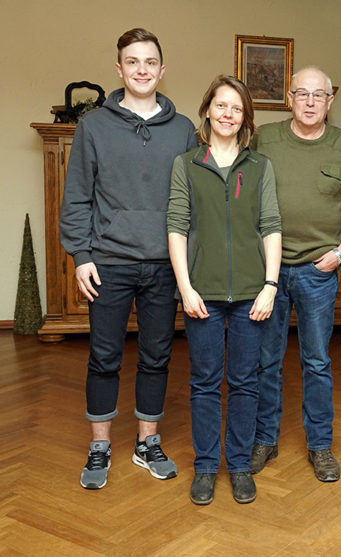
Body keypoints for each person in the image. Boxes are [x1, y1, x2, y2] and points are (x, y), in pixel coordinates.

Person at [60, 28, 198, 490]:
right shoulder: (94, 125)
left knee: (158, 356)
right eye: (133, 62)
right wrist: (81, 255)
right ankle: (99, 445)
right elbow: (78, 196)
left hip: (164, 264)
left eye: (150, 62)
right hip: (109, 262)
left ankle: (147, 443)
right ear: (119, 69)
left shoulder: (182, 131)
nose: (142, 69)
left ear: (162, 69)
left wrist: (188, 267)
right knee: (103, 357)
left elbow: (191, 202)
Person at [250, 66, 341, 482]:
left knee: (316, 362)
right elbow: (241, 188)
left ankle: (320, 447)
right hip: (269, 272)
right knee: (266, 361)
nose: (309, 102)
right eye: (302, 93)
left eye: (318, 95)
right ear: (289, 97)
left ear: (330, 101)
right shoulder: (265, 138)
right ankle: (264, 439)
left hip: (319, 272)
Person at [167, 75, 282, 505]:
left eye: (236, 108)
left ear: (245, 117)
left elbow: (271, 225)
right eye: (221, 106)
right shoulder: (186, 165)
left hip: (253, 294)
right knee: (204, 383)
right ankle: (205, 467)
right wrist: (185, 287)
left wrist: (270, 285)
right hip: (202, 296)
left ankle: (237, 466)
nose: (228, 114)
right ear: (208, 111)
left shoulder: (260, 167)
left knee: (246, 383)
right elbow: (177, 227)